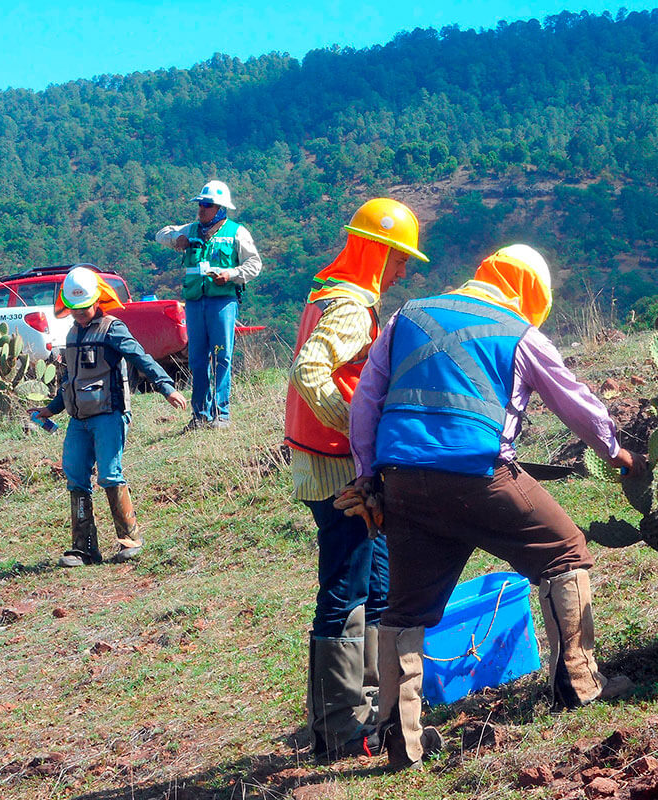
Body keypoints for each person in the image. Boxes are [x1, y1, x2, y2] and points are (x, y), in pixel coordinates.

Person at [346, 244, 646, 771]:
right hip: (480, 477)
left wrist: (368, 478)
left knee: (405, 611)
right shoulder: (520, 332)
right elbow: (571, 399)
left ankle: (401, 741)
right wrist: (614, 450)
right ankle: (577, 683)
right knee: (564, 551)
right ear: (529, 292)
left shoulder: (406, 315)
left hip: (403, 484)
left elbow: (367, 400)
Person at [283, 198, 428, 763]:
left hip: (320, 461)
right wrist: (357, 429)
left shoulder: (328, 294)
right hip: (339, 467)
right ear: (377, 252)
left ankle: (364, 707)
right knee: (345, 590)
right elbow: (309, 370)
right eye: (398, 259)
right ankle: (341, 727)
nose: (402, 272)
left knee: (368, 584)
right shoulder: (350, 307)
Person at [31, 267, 188, 567]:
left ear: (97, 300)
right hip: (79, 420)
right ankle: (84, 548)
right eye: (74, 309)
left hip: (109, 415)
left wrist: (166, 387)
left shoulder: (112, 328)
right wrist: (51, 409)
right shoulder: (73, 332)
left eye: (84, 308)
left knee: (109, 474)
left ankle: (130, 540)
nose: (78, 314)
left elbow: (141, 357)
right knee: (75, 475)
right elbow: (71, 381)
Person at [156, 179, 262, 430]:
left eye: (207, 205)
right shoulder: (191, 229)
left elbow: (254, 264)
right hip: (194, 302)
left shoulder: (237, 232)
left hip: (222, 302)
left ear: (220, 208)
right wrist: (177, 239)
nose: (201, 209)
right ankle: (200, 415)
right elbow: (161, 234)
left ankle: (221, 413)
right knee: (197, 359)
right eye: (201, 204)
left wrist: (231, 274)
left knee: (222, 356)